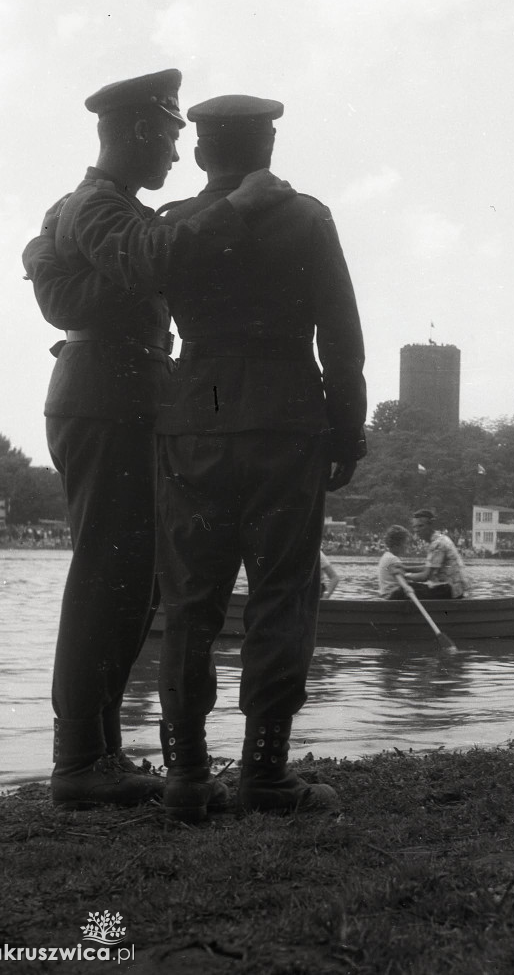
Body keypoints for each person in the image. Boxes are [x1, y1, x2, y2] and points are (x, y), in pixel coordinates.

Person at [22, 70, 293, 810]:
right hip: (106, 398)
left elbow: (83, 278)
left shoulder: (96, 210)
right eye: (173, 137)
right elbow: (155, 260)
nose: (179, 156)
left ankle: (97, 753)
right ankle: (79, 759)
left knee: (128, 580)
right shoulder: (99, 207)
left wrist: (60, 272)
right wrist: (237, 206)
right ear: (142, 131)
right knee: (104, 578)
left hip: (120, 395)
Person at [153, 94, 367, 822]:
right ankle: (266, 774)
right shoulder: (307, 217)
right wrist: (348, 428)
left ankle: (184, 774)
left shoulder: (174, 225)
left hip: (193, 421)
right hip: (284, 421)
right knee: (282, 596)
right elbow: (340, 333)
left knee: (188, 601)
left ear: (203, 153)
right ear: (268, 147)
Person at [405, 509, 470, 599]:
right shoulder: (439, 539)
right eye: (415, 527)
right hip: (450, 588)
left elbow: (425, 576)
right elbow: (428, 567)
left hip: (452, 590)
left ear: (430, 525)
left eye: (420, 526)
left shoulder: (438, 544)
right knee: (410, 587)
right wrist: (405, 568)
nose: (417, 530)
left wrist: (404, 576)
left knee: (403, 591)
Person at [377, 525, 413, 599]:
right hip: (392, 597)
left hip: (384, 595)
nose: (407, 546)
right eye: (406, 543)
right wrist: (406, 587)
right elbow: (399, 576)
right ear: (397, 545)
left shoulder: (386, 556)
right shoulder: (393, 559)